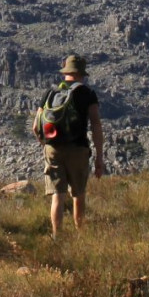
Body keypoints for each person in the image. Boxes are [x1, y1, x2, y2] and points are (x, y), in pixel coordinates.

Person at [35, 54, 104, 237]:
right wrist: (99, 157)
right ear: (82, 73)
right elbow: (96, 125)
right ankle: (80, 235)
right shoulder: (87, 94)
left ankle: (57, 236)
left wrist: (46, 145)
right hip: (78, 149)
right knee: (78, 194)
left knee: (58, 195)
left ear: (65, 72)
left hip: (53, 148)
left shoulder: (51, 93)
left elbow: (36, 126)